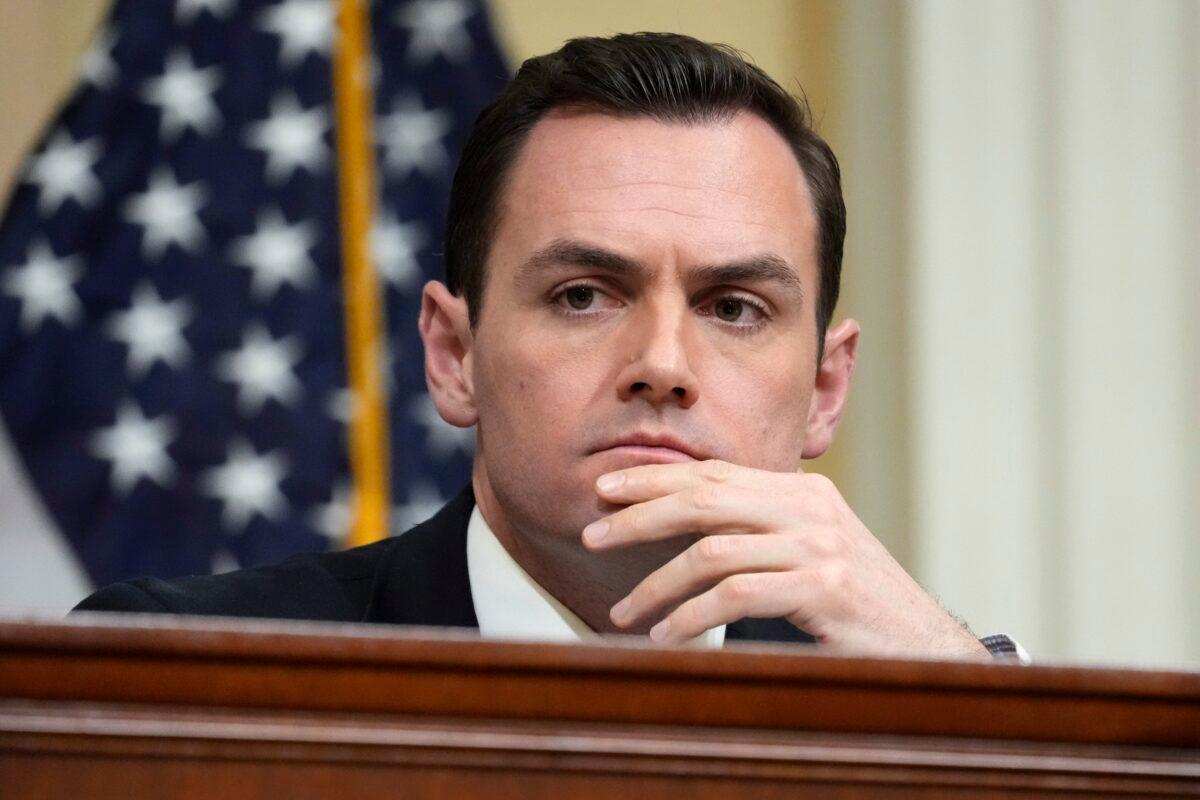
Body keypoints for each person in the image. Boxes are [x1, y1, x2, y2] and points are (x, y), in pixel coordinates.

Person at [78, 33, 1019, 660]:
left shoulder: (914, 699)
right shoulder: (182, 666)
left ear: (823, 389)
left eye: (733, 307)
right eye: (583, 295)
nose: (663, 363)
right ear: (453, 355)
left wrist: (963, 703)